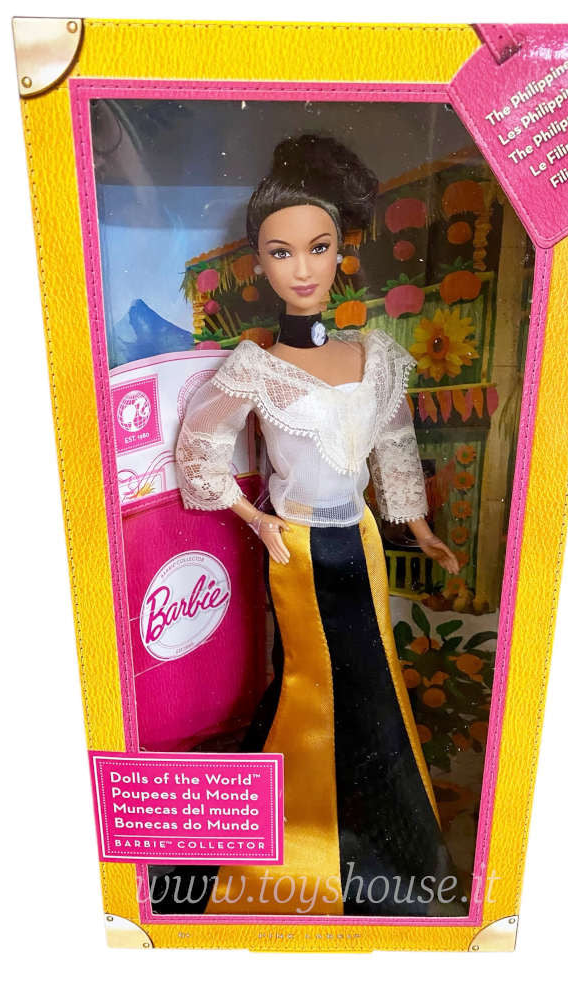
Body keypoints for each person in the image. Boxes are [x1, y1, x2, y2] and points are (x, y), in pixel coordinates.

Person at [149, 133, 468, 918]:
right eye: (281, 252)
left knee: (375, 680)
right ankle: (298, 848)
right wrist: (252, 517)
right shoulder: (256, 367)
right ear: (260, 264)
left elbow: (395, 444)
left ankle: (388, 838)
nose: (302, 269)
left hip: (361, 542)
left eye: (317, 248)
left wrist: (417, 527)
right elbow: (199, 445)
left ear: (340, 251)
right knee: (310, 683)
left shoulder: (375, 356)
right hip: (296, 550)